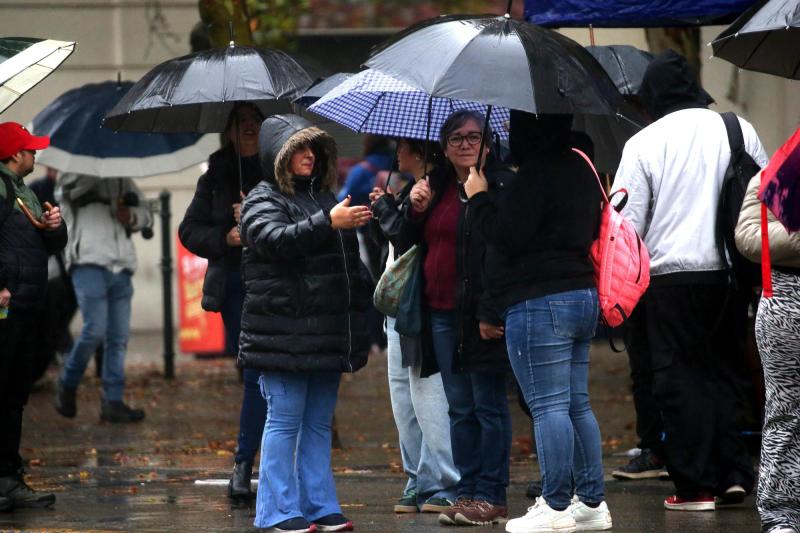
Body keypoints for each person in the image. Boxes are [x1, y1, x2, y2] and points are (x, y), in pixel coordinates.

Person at [612, 50, 767, 511]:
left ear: (653, 98)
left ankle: (695, 485)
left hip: (669, 280)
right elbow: (763, 197)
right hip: (732, 274)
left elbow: (627, 226)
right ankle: (736, 471)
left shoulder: (644, 144)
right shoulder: (739, 129)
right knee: (729, 371)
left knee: (680, 381)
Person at [464, 111, 612, 532]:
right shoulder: (582, 167)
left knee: (548, 406)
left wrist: (479, 197)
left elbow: (508, 236)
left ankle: (557, 505)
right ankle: (592, 503)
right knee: (576, 403)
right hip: (582, 294)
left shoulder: (536, 173)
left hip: (538, 301)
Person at [239, 114, 372, 533]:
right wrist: (326, 222)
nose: (309, 155)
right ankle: (276, 511)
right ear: (278, 154)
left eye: (313, 148)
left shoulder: (324, 197)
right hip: (282, 334)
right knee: (283, 419)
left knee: (317, 423)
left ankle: (318, 504)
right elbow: (273, 241)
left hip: (325, 333)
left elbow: (345, 267)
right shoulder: (263, 198)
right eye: (299, 147)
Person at [407, 110, 513, 527]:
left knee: (488, 406)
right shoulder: (436, 186)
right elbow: (409, 243)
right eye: (456, 139)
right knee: (459, 408)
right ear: (444, 147)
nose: (465, 144)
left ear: (487, 144)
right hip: (441, 313)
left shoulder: (498, 185)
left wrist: (491, 310)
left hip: (479, 316)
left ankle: (492, 494)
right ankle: (467, 491)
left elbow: (501, 253)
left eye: (473, 137)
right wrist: (414, 210)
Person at [179, 102, 267, 501]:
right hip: (235, 284)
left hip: (277, 282)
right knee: (253, 371)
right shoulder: (217, 173)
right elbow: (189, 230)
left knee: (263, 373)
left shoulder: (277, 167)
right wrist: (227, 237)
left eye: (255, 121)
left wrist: (259, 214)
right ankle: (246, 462)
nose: (249, 127)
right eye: (241, 122)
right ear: (229, 130)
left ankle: (247, 461)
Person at [369, 138, 459, 514]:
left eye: (401, 148)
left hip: (420, 306)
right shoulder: (411, 187)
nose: (396, 154)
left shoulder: (438, 186)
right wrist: (385, 208)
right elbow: (391, 245)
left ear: (418, 152)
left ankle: (442, 480)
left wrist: (389, 211)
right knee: (402, 397)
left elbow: (408, 238)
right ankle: (417, 478)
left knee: (427, 394)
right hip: (398, 305)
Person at [0, 122, 65, 510]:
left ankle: (9, 477)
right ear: (12, 154)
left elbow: (53, 241)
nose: (35, 153)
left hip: (26, 305)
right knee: (3, 391)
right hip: (6, 306)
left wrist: (55, 226)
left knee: (13, 395)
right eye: (29, 149)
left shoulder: (25, 191)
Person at [53, 172, 153, 423]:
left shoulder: (123, 179)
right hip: (88, 263)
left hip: (121, 267)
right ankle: (67, 381)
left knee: (118, 338)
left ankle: (113, 401)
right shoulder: (72, 177)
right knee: (94, 329)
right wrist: (98, 172)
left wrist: (130, 216)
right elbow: (65, 195)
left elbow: (146, 215)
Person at [735, 169, 800, 533]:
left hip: (782, 302)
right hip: (785, 297)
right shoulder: (777, 174)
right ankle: (781, 515)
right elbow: (748, 235)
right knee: (785, 409)